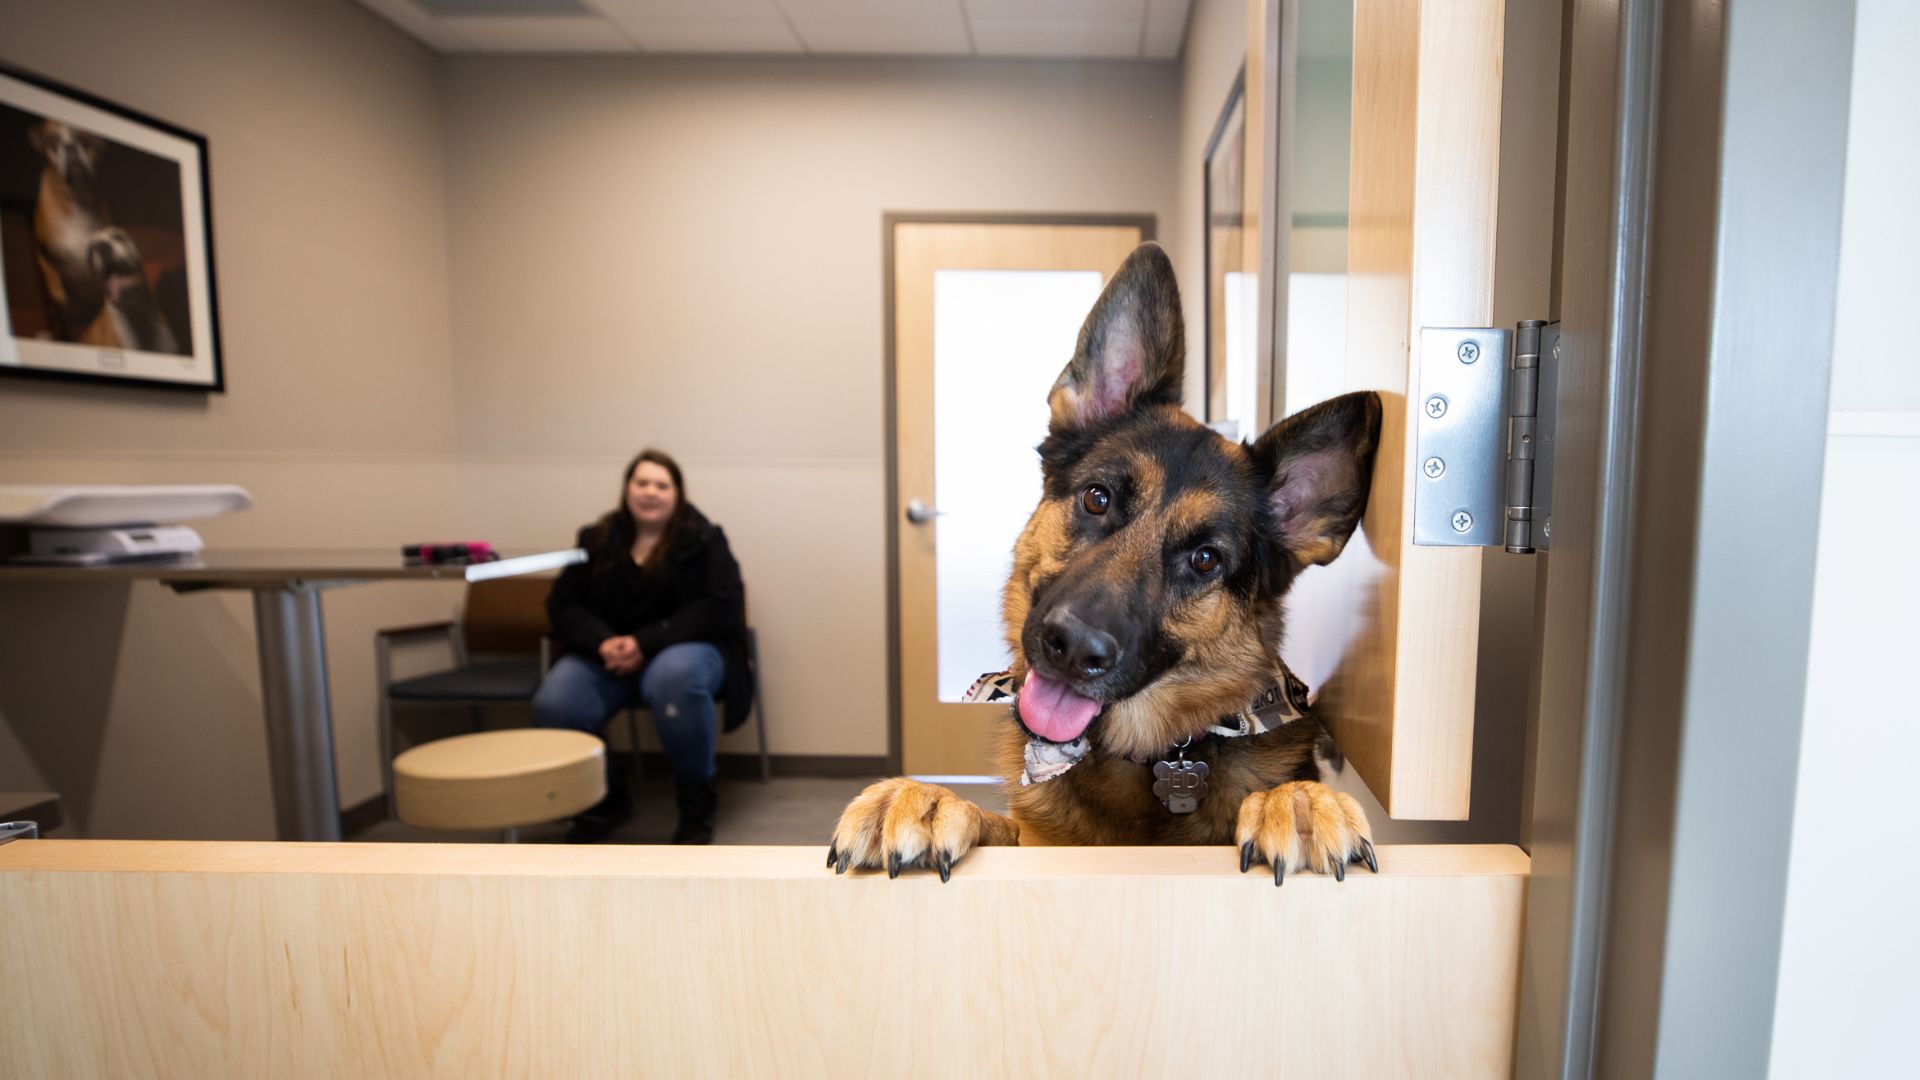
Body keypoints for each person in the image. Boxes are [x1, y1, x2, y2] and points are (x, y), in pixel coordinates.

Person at [533, 449, 754, 844]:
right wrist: (603, 642)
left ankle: (696, 809)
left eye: (661, 485)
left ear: (677, 493)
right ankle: (602, 800)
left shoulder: (704, 539)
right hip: (608, 657)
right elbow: (562, 604)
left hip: (689, 651)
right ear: (626, 489)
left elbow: (721, 605)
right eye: (642, 483)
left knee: (674, 676)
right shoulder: (596, 539)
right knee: (557, 700)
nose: (650, 492)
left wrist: (643, 642)